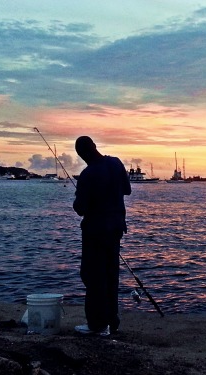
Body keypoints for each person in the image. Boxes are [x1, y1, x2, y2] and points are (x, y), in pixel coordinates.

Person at [73, 136, 131, 336]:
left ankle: (96, 324)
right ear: (95, 146)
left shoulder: (87, 175)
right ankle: (111, 321)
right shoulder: (116, 163)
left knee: (92, 275)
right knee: (110, 274)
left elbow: (80, 209)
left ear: (82, 153)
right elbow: (127, 190)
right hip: (115, 229)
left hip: (95, 232)